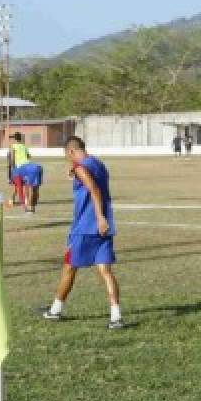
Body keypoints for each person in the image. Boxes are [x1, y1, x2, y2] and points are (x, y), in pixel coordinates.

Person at [42, 136, 123, 329]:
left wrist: (99, 217)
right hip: (104, 228)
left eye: (67, 156)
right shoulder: (99, 164)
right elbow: (94, 181)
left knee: (69, 267)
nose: (68, 161)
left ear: (71, 151)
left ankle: (55, 311)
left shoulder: (80, 167)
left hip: (85, 227)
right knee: (105, 270)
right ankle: (116, 316)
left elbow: (94, 189)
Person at [7, 133, 31, 206]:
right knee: (26, 184)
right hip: (27, 166)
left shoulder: (13, 146)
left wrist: (11, 167)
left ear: (14, 139)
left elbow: (12, 158)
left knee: (16, 184)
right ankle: (26, 200)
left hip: (18, 167)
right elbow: (28, 156)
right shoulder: (24, 146)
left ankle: (12, 200)